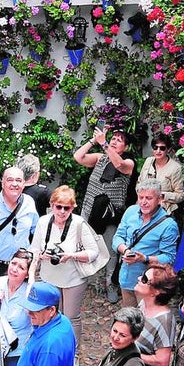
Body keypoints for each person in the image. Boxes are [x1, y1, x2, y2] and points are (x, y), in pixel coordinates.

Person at [28, 185, 99, 341]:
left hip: (73, 278)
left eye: (66, 208)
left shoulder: (79, 223)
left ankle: (73, 353)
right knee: (49, 315)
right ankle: (52, 345)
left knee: (71, 317)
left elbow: (94, 252)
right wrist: (41, 255)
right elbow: (33, 249)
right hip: (49, 277)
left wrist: (72, 256)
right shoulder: (43, 222)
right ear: (52, 206)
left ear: (72, 208)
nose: (62, 211)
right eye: (58, 207)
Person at [74, 126, 135, 304]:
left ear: (126, 147)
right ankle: (84, 279)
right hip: (89, 210)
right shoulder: (100, 158)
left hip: (110, 214)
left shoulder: (129, 163)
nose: (115, 141)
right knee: (82, 244)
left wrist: (105, 143)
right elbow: (78, 157)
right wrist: (94, 140)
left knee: (110, 250)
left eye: (119, 140)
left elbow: (118, 164)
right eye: (113, 138)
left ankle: (110, 284)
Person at [112, 179, 179, 308]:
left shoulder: (168, 225)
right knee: (130, 320)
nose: (143, 202)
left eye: (148, 198)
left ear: (159, 199)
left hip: (149, 285)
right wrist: (125, 250)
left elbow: (169, 258)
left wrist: (144, 259)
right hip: (126, 278)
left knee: (146, 323)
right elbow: (117, 237)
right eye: (141, 197)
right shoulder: (131, 211)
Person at [0, 166, 40, 278]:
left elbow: (37, 232)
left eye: (18, 180)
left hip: (21, 267)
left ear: (24, 184)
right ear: (2, 183)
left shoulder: (29, 203)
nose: (14, 184)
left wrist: (33, 257)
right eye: (10, 180)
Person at [138, 131, 184, 229]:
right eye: (155, 147)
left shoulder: (175, 168)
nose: (158, 151)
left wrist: (162, 195)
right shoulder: (148, 161)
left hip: (164, 211)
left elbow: (181, 196)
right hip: (143, 207)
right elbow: (139, 183)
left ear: (168, 150)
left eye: (162, 148)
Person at [16, 153, 50, 217]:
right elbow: (62, 204)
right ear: (34, 175)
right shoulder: (42, 192)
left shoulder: (11, 190)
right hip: (37, 226)